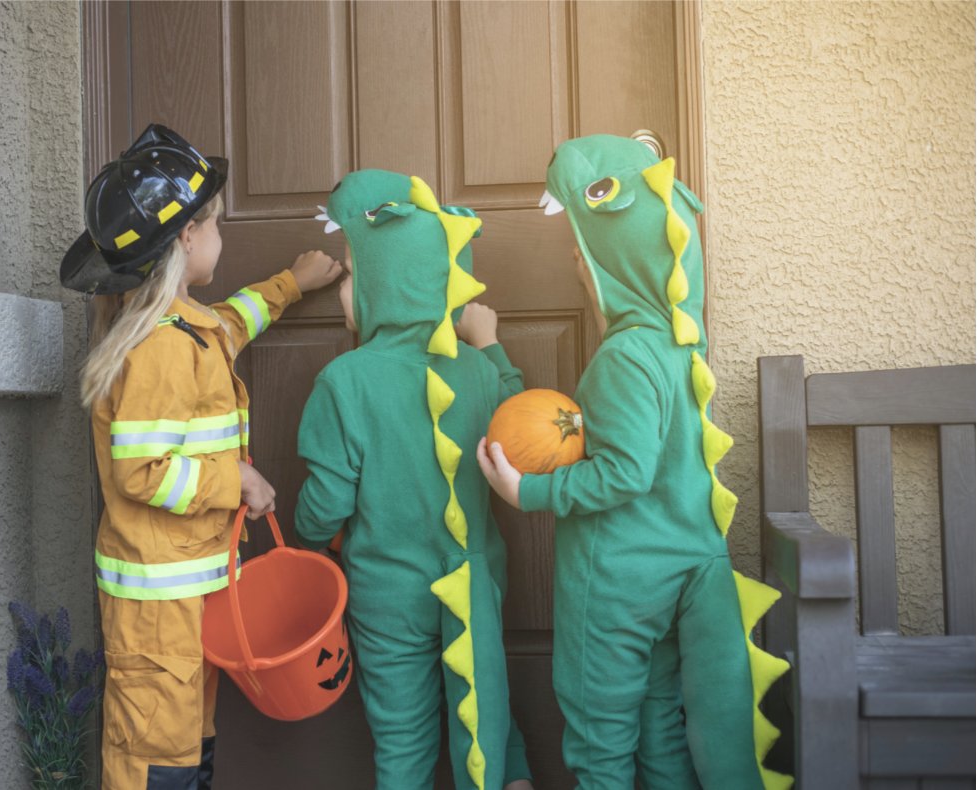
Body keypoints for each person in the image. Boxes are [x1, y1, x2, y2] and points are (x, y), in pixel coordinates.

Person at [478, 135, 791, 790]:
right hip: (678, 569)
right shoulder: (679, 347)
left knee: (601, 739)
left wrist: (525, 492)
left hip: (617, 583)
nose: (577, 259)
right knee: (660, 728)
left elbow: (625, 472)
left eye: (585, 252)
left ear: (609, 265)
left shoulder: (623, 357)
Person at [60, 123, 341, 790]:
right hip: (160, 614)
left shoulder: (189, 328)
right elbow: (140, 472)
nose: (220, 236)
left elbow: (231, 324)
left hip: (193, 597)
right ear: (187, 236)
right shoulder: (159, 347)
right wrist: (235, 478)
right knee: (157, 765)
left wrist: (292, 283)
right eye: (215, 223)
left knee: (187, 753)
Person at [295, 169, 534, 790]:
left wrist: (310, 538)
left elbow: (325, 503)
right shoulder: (479, 371)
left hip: (387, 598)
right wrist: (492, 347)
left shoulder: (346, 381)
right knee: (488, 716)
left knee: (403, 739)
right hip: (474, 580)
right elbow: (524, 430)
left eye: (353, 275)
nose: (344, 289)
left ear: (388, 283)